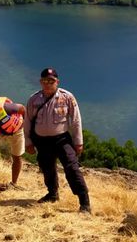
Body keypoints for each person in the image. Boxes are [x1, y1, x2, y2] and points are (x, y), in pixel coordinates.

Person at [24, 68, 90, 213]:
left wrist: (78, 142)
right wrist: (28, 142)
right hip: (41, 140)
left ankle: (84, 202)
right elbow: (27, 121)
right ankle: (52, 194)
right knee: (47, 168)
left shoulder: (67, 97)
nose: (48, 84)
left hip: (62, 139)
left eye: (51, 81)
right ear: (40, 82)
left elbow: (76, 120)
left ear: (57, 82)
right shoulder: (34, 99)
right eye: (45, 81)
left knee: (72, 168)